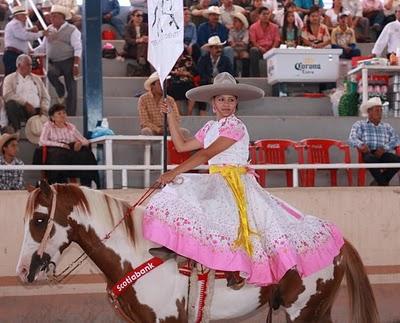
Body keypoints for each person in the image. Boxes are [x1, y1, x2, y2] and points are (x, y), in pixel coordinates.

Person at [143, 72, 344, 289]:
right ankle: (185, 253)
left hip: (235, 182)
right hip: (217, 179)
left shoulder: (235, 126)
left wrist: (174, 172)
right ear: (213, 103)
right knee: (181, 195)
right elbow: (182, 145)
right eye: (221, 99)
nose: (226, 104)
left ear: (236, 103)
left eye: (231, 100)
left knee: (231, 219)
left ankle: (235, 269)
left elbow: (205, 155)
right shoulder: (211, 127)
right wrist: (172, 115)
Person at [34, 104, 99, 187]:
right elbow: (42, 141)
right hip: (55, 149)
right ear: (52, 117)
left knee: (87, 154)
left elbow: (85, 141)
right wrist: (61, 145)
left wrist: (79, 143)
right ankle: (57, 183)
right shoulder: (48, 126)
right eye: (59, 113)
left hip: (70, 149)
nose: (62, 115)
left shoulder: (71, 127)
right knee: (59, 155)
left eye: (64, 113)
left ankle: (87, 183)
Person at [34, 5, 81, 116]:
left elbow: (78, 48)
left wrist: (76, 65)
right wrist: (31, 51)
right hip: (54, 62)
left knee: (72, 88)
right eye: (51, 16)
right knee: (50, 72)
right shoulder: (49, 29)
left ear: (62, 18)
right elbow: (43, 47)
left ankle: (71, 114)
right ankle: (60, 91)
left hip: (69, 60)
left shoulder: (72, 30)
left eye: (54, 16)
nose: (52, 19)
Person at [349, 97, 400, 186]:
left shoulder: (387, 126)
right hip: (368, 152)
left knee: (397, 160)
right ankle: (383, 183)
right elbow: (352, 138)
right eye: (377, 110)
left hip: (383, 152)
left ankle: (379, 182)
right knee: (370, 159)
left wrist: (385, 148)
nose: (380, 113)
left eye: (381, 110)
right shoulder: (360, 124)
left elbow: (396, 140)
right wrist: (361, 145)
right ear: (369, 112)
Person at [3, 54, 50, 132]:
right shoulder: (10, 78)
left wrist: (44, 108)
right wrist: (25, 103)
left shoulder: (37, 79)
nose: (30, 67)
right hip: (21, 109)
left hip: (37, 110)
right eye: (28, 65)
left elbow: (46, 97)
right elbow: (8, 95)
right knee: (10, 104)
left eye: (31, 65)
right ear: (19, 65)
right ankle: (16, 130)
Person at [138, 72, 190, 136]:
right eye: (160, 84)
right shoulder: (143, 99)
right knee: (146, 131)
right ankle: (148, 146)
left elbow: (176, 119)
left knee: (184, 132)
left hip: (168, 129)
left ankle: (179, 146)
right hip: (152, 129)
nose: (164, 87)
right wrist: (158, 129)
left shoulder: (170, 100)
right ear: (152, 85)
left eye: (165, 84)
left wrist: (168, 128)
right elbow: (144, 121)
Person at [3, 5, 47, 75]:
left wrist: (30, 29)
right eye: (23, 15)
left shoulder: (14, 24)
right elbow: (24, 35)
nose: (26, 17)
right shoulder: (16, 24)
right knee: (13, 77)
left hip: (14, 54)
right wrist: (41, 33)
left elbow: (20, 33)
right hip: (13, 55)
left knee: (12, 77)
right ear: (17, 16)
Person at [197, 36, 234, 114]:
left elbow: (230, 72)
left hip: (223, 82)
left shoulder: (225, 59)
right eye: (216, 48)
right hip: (208, 80)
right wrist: (210, 79)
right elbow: (201, 72)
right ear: (210, 49)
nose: (219, 50)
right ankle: (202, 110)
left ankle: (233, 109)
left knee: (234, 85)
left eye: (220, 48)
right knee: (202, 85)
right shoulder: (203, 59)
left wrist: (222, 80)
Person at [249, 6, 280, 77]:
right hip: (259, 50)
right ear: (259, 15)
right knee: (253, 50)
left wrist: (272, 50)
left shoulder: (275, 27)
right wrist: (260, 48)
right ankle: (256, 76)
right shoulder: (253, 27)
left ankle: (276, 76)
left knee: (278, 50)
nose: (266, 16)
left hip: (271, 49)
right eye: (263, 14)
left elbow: (277, 40)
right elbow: (253, 41)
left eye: (267, 14)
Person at [122, 10, 149, 75]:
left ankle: (142, 60)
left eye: (142, 16)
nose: (140, 17)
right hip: (131, 48)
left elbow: (151, 36)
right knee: (141, 44)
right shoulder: (128, 27)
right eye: (138, 15)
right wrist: (139, 40)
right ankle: (142, 61)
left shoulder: (146, 26)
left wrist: (147, 38)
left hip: (144, 48)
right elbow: (128, 40)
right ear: (132, 17)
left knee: (143, 44)